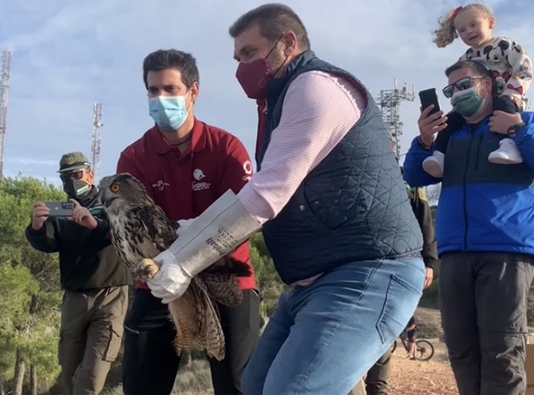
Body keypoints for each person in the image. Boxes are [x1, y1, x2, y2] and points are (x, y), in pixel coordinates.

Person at [142, 4, 426, 394]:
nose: (241, 67)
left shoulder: (315, 88)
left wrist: (183, 259)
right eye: (237, 58)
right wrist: (194, 234)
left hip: (367, 272)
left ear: (287, 42)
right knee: (257, 386)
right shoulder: (281, 101)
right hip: (315, 280)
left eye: (249, 53)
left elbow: (266, 194)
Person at [116, 49, 260, 395]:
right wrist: (168, 266)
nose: (160, 98)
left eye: (170, 89)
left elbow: (246, 218)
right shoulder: (133, 158)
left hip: (226, 278)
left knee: (242, 387)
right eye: (153, 90)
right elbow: (134, 231)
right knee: (140, 386)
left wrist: (189, 257)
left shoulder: (227, 149)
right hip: (159, 282)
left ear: (193, 91)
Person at [403, 59, 534, 395]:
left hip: (505, 250)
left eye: (464, 85)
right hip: (456, 253)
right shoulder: (450, 136)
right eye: (451, 90)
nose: (456, 95)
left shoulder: (524, 121)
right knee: (460, 347)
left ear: (488, 84)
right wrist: (424, 139)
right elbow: (414, 176)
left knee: (501, 349)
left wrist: (516, 128)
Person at [25, 152, 131, 395]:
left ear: (90, 174)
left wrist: (96, 225)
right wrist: (36, 227)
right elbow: (47, 243)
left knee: (91, 376)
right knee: (70, 373)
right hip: (75, 298)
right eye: (65, 177)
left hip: (110, 295)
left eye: (76, 174)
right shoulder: (61, 212)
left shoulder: (112, 203)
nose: (71, 181)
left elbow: (126, 234)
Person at [422, 3, 532, 177]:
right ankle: (439, 155)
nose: (469, 32)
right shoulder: (466, 58)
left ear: (490, 22)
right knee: (450, 121)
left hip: (507, 98)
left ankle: (509, 146)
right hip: (479, 105)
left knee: (503, 105)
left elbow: (524, 69)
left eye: (473, 25)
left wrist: (514, 92)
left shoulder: (505, 46)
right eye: (462, 30)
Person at [364, 170, 439, 395]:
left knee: (383, 329)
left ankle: (378, 390)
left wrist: (429, 260)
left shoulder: (409, 179)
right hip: (355, 264)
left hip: (396, 265)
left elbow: (424, 218)